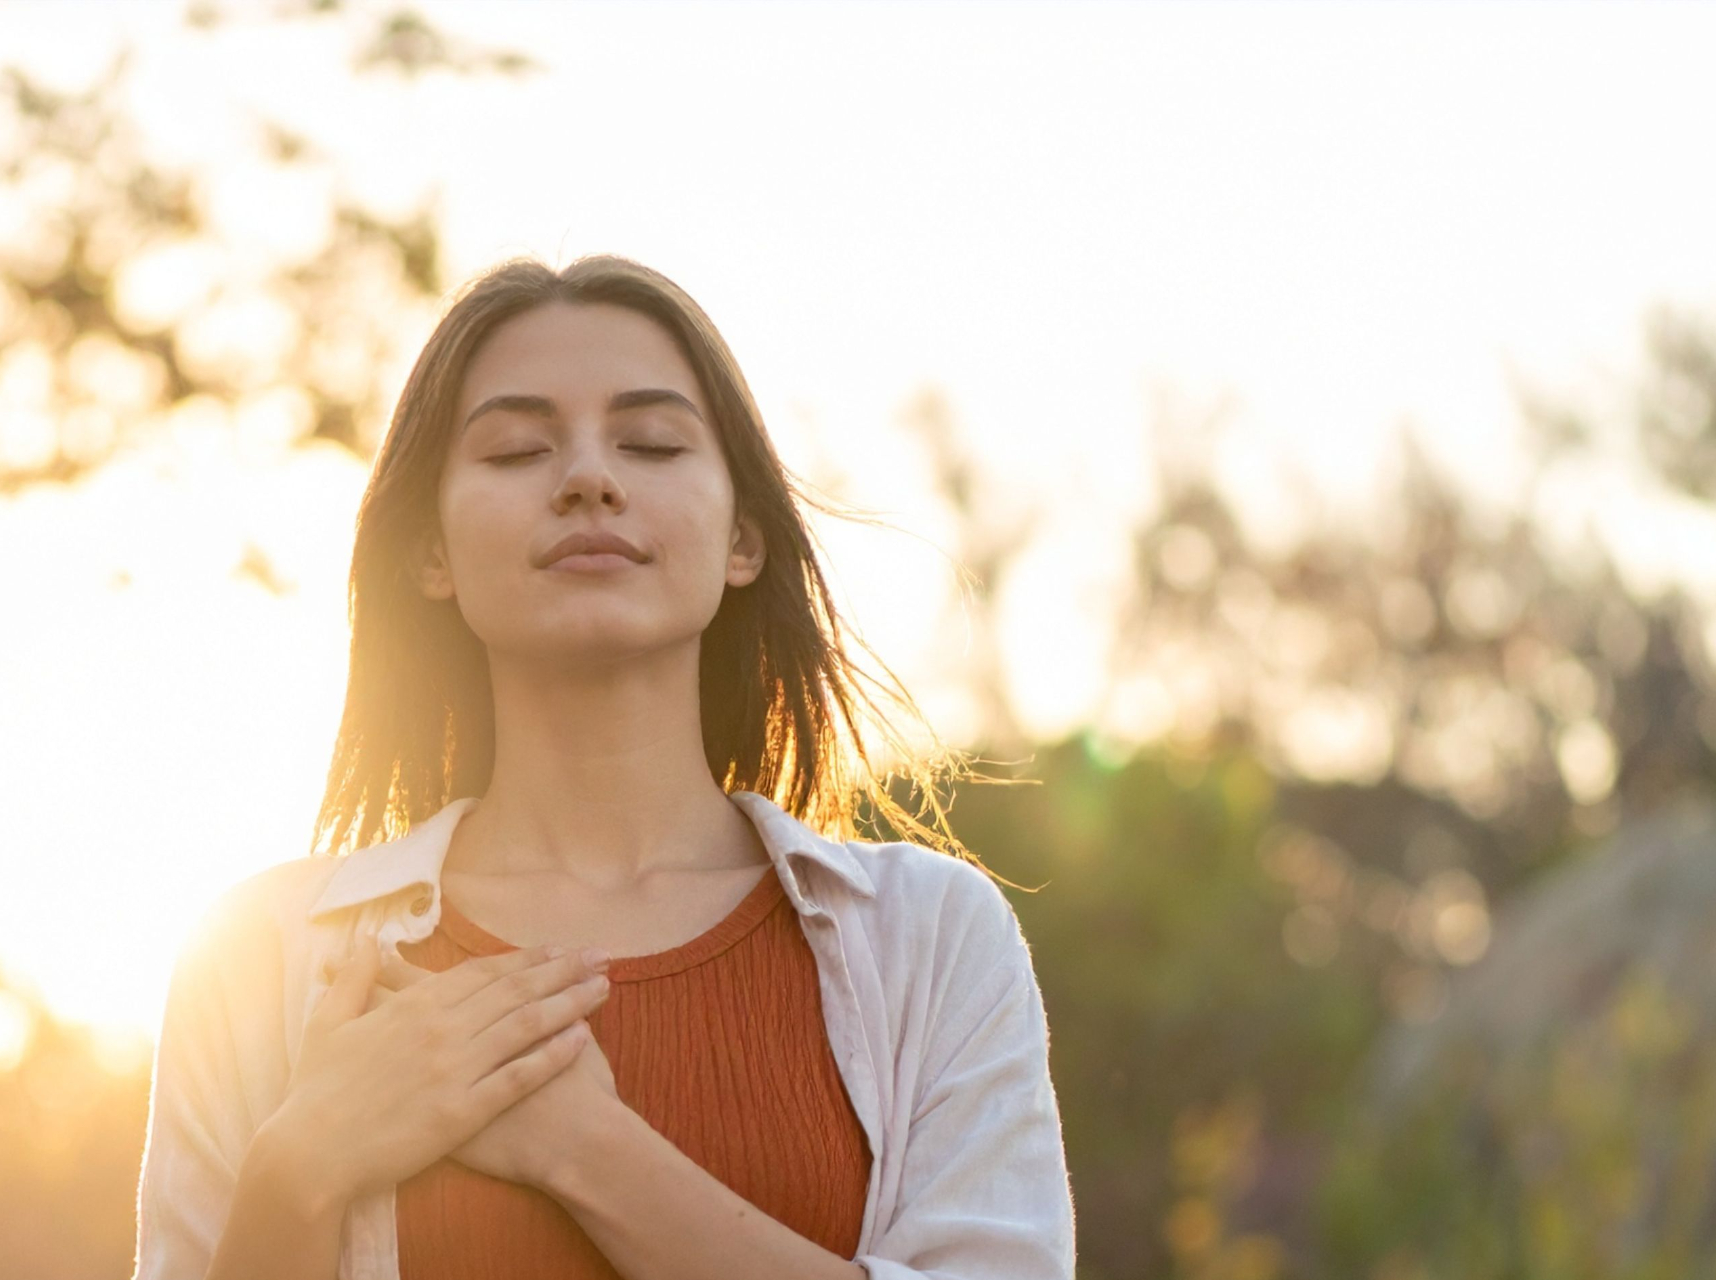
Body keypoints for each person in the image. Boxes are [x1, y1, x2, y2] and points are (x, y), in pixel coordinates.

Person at [131, 255, 1073, 1280]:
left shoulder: (931, 937)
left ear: (741, 539)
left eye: (652, 442)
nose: (588, 478)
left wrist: (582, 1147)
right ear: (431, 554)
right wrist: (297, 1167)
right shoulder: (257, 955)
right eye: (517, 449)